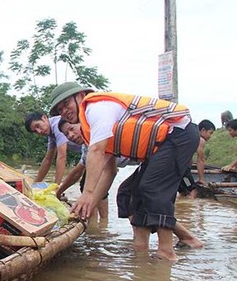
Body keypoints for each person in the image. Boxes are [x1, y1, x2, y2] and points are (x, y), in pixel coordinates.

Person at [49, 82, 200, 261]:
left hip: (178, 133)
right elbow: (109, 172)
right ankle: (141, 248)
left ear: (80, 95)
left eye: (66, 104)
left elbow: (97, 151)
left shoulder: (95, 108)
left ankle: (166, 251)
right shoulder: (92, 130)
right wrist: (88, 206)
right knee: (127, 193)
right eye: (60, 109)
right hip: (160, 146)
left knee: (152, 188)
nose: (64, 110)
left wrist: (88, 193)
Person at [56, 119, 109, 221]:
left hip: (144, 154)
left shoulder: (97, 138)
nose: (70, 135)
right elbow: (77, 172)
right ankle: (98, 225)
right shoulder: (86, 146)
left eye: (72, 129)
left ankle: (102, 223)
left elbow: (109, 171)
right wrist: (58, 192)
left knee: (124, 193)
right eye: (66, 134)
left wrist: (88, 194)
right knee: (85, 185)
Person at [24, 112, 82, 184]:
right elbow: (48, 159)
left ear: (44, 118)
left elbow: (62, 157)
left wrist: (56, 186)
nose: (39, 131)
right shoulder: (51, 133)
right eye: (35, 131)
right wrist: (35, 184)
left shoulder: (57, 126)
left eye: (38, 126)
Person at [178, 119, 216, 198]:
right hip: (183, 170)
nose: (210, 136)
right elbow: (200, 160)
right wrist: (201, 179)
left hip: (176, 168)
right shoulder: (200, 139)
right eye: (210, 133)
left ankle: (181, 209)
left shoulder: (188, 137)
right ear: (203, 130)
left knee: (183, 191)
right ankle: (192, 209)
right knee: (193, 190)